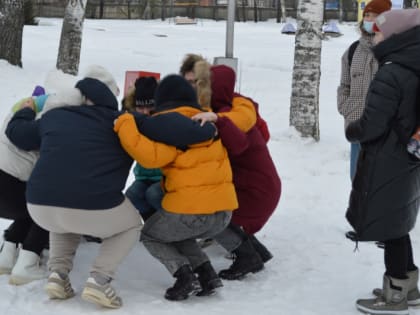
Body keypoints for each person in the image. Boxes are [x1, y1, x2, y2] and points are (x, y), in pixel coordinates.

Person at [5, 65, 143, 309]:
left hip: (40, 207)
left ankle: (57, 275)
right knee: (131, 225)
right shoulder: (122, 122)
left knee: (64, 215)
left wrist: (25, 112)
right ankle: (100, 278)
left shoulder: (55, 116)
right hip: (93, 205)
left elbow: (18, 135)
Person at [114, 74, 238, 301]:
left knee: (151, 235)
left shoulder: (171, 129)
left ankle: (184, 276)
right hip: (223, 214)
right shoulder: (204, 123)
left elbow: (149, 157)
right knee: (174, 231)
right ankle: (207, 274)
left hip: (193, 211)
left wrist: (124, 123)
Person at [344, 9, 420, 315]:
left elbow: (374, 122)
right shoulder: (413, 63)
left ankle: (395, 294)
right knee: (399, 221)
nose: (373, 36)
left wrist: (353, 130)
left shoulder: (392, 70)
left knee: (391, 227)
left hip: (387, 157)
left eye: (377, 32)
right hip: (408, 154)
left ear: (393, 36)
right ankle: (409, 286)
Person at [192, 65, 281, 280]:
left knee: (211, 214)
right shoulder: (236, 110)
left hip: (255, 192)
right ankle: (257, 252)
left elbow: (237, 145)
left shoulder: (227, 117)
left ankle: (246, 257)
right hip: (264, 187)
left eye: (204, 85)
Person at [337, 0, 392, 180]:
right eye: (367, 15)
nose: (369, 19)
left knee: (380, 184)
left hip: (384, 131)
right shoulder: (353, 50)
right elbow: (344, 85)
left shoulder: (392, 50)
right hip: (357, 126)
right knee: (357, 181)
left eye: (374, 16)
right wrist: (346, 107)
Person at [0, 86, 49, 285]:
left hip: (7, 190)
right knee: (47, 208)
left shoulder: (15, 113)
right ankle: (27, 264)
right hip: (9, 187)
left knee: (29, 208)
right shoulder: (39, 124)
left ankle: (6, 256)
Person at [122, 76, 163, 220]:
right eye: (140, 107)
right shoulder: (133, 123)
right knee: (132, 195)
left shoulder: (166, 121)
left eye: (150, 106)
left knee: (154, 194)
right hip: (144, 175)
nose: (145, 112)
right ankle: (152, 225)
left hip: (166, 177)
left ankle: (170, 226)